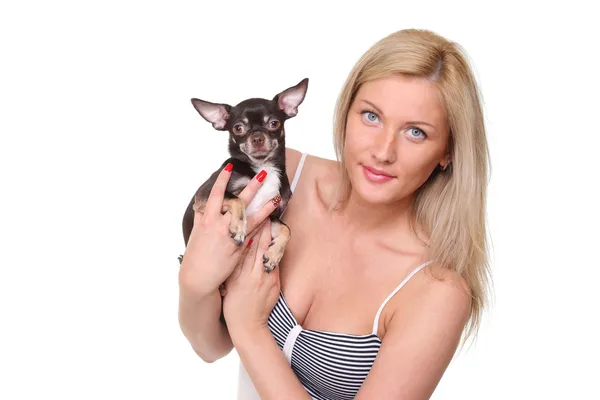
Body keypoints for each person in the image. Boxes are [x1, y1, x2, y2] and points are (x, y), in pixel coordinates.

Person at [178, 28, 492, 400]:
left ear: (448, 151)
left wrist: (251, 328)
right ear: (346, 112)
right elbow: (210, 347)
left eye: (415, 132)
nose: (383, 151)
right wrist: (195, 282)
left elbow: (241, 333)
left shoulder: (437, 289)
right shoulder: (277, 183)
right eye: (371, 116)